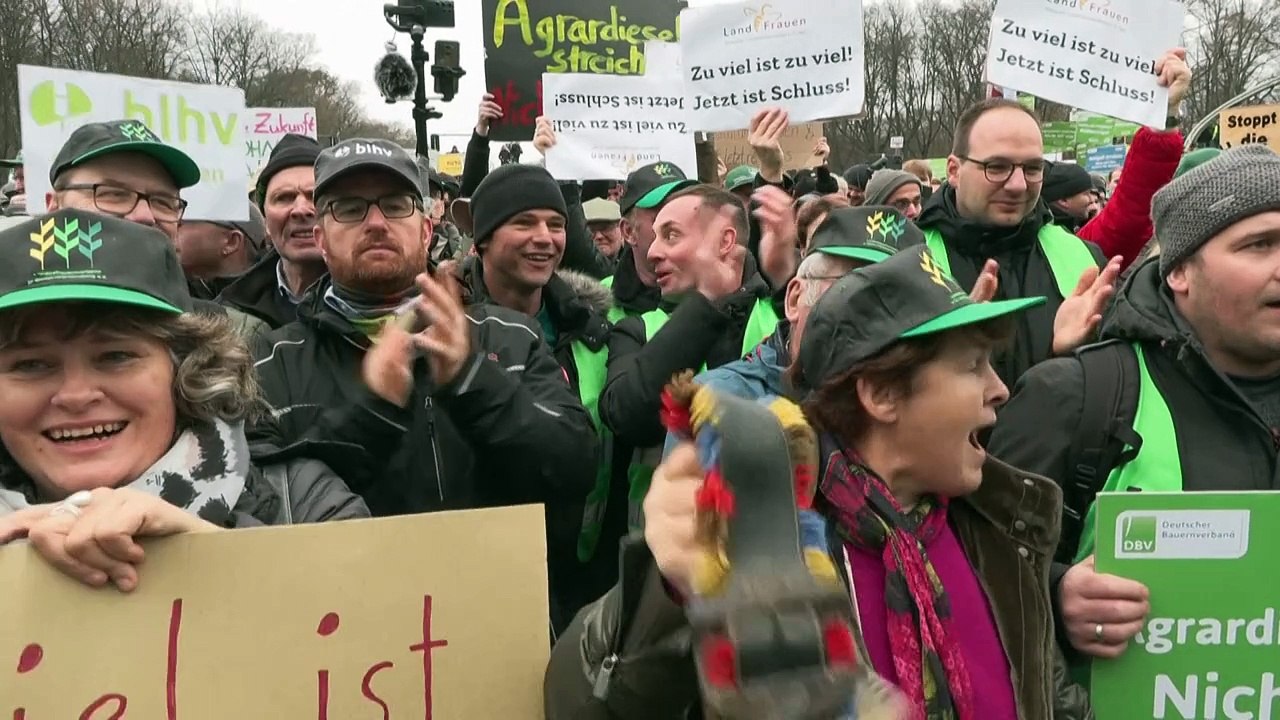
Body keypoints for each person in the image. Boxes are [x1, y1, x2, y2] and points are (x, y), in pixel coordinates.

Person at [546, 247, 1091, 720]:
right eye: (973, 366)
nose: (1000, 389)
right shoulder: (767, 545)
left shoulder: (1003, 528)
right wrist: (660, 598)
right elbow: (578, 704)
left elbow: (1052, 700)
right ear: (881, 394)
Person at [250, 139, 597, 631]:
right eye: (349, 208)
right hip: (346, 635)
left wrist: (473, 380)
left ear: (428, 228)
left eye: (395, 206)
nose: (375, 223)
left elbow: (575, 465)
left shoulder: (508, 335)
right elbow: (262, 515)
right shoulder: (272, 358)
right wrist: (373, 412)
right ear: (321, 236)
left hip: (502, 625)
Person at [988, 145, 1280, 663]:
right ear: (1179, 271)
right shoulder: (1077, 398)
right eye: (1259, 245)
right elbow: (971, 576)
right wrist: (1055, 599)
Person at [0, 208, 366, 590]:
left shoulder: (302, 502)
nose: (75, 395)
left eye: (116, 356)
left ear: (187, 368)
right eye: (30, 365)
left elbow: (377, 631)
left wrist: (212, 558)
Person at [43, 119, 270, 348]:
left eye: (163, 201)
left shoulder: (236, 338)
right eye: (113, 194)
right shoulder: (11, 324)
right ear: (53, 207)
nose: (145, 216)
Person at [219, 133, 326, 329]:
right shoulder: (228, 317)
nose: (301, 209)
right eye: (284, 197)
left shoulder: (380, 305)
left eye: (315, 196)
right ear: (265, 221)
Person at [177, 201, 268, 300]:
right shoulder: (171, 287)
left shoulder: (268, 306)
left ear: (231, 242)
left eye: (180, 224)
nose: (171, 229)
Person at [1042, 162, 1101, 233]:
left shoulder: (1077, 225)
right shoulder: (1052, 233)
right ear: (1064, 200)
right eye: (1086, 194)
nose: (1091, 200)